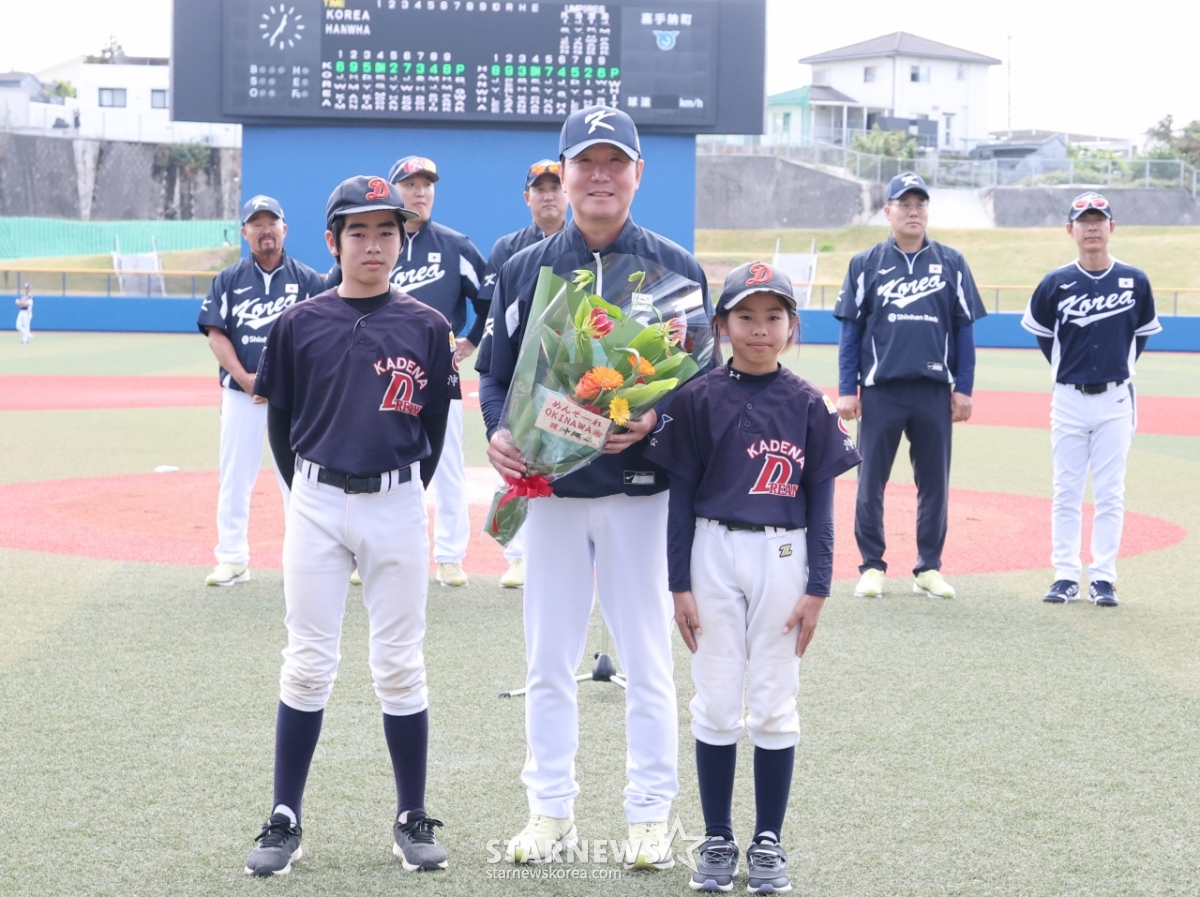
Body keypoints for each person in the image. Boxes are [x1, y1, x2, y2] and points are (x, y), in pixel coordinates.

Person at [479, 106, 711, 869]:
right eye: (588, 161)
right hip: (550, 493)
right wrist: (500, 434)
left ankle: (649, 815)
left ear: (639, 173)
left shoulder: (676, 268)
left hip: (639, 493)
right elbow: (494, 376)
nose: (601, 174)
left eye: (617, 161)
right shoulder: (523, 267)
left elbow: (700, 388)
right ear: (565, 172)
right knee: (547, 658)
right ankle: (551, 811)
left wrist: (653, 425)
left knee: (647, 659)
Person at [243, 175, 459, 876]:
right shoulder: (298, 323)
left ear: (403, 240)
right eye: (358, 231)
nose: (373, 243)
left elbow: (432, 427)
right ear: (332, 241)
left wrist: (395, 496)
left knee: (400, 662)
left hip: (396, 499)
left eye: (386, 230)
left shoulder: (428, 327)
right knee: (307, 662)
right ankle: (284, 816)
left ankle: (411, 814)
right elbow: (281, 426)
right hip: (316, 499)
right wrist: (316, 488)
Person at [646, 262, 860, 893]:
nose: (759, 329)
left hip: (784, 556)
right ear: (722, 325)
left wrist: (819, 587)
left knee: (772, 703)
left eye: (773, 316)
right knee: (714, 700)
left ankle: (768, 839)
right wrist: (677, 582)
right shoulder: (695, 397)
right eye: (745, 316)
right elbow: (679, 498)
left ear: (793, 327)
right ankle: (717, 836)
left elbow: (821, 505)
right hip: (711, 551)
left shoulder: (808, 405)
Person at [329, 156, 487, 588]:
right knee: (366, 453)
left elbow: (489, 298)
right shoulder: (368, 245)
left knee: (448, 461)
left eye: (427, 184)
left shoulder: (456, 246)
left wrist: (469, 342)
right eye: (410, 183)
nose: (420, 191)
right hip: (376, 372)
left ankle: (450, 555)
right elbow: (333, 298)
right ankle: (361, 547)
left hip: (436, 370)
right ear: (395, 191)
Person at [834, 172, 985, 601]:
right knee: (871, 482)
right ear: (888, 211)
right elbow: (851, 333)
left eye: (920, 203)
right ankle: (871, 566)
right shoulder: (866, 263)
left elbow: (964, 332)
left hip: (934, 391)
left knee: (935, 482)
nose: (913, 211)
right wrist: (849, 388)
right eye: (904, 203)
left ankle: (928, 567)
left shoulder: (951, 262)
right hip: (882, 390)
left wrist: (964, 387)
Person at [1020, 192, 1161, 607]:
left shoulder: (1135, 280)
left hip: (1116, 399)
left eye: (1100, 219)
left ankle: (1103, 577)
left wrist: (1115, 371)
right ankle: (1065, 574)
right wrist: (1072, 374)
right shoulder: (1056, 282)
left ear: (1112, 227)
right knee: (1065, 490)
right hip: (1068, 399)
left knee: (1110, 491)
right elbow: (1044, 336)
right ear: (1071, 230)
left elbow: (1141, 336)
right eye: (1084, 220)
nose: (1093, 227)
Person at [197, 195, 324, 587]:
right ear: (245, 232)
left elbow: (319, 339)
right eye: (257, 223)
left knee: (298, 479)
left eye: (273, 222)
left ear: (285, 229)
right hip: (241, 393)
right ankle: (232, 558)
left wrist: (283, 381)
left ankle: (303, 559)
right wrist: (246, 377)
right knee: (236, 477)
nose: (265, 230)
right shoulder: (229, 279)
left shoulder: (308, 280)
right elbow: (216, 335)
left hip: (292, 397)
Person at [476, 158, 570, 589]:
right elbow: (495, 319)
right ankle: (516, 554)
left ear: (567, 192)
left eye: (556, 185)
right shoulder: (508, 250)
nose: (548, 193)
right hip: (522, 380)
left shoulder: (593, 249)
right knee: (518, 464)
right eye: (540, 187)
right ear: (527, 196)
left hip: (574, 383)